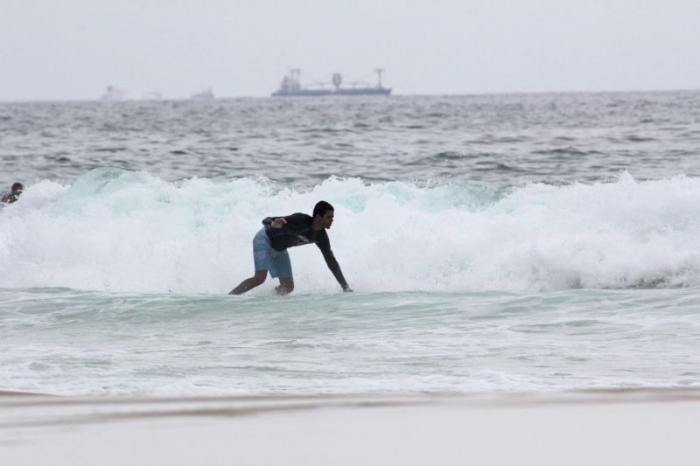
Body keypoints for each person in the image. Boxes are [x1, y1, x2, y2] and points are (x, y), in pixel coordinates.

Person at [230, 200, 352, 295]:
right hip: (265, 240)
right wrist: (272, 224)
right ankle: (231, 296)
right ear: (319, 217)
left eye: (332, 217)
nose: (332, 220)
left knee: (288, 287)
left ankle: (269, 299)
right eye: (329, 217)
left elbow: (331, 262)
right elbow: (266, 220)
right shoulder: (301, 220)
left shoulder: (321, 237)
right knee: (260, 278)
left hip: (279, 249)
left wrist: (345, 287)